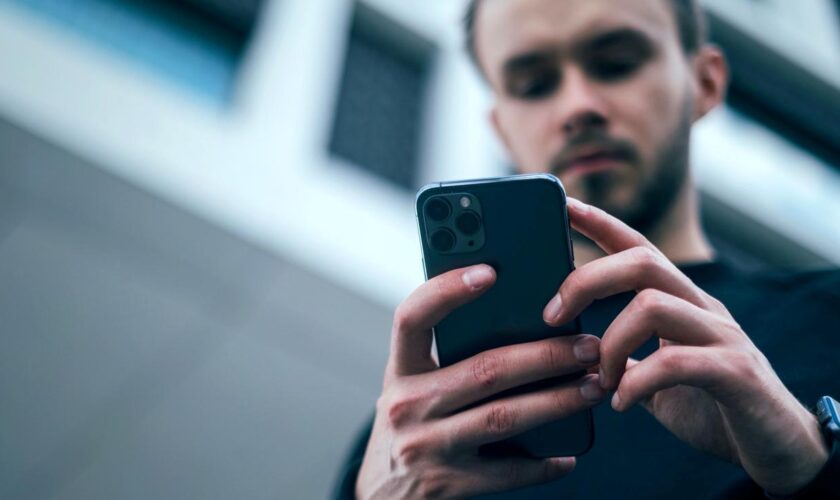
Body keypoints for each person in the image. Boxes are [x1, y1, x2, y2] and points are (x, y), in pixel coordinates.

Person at [334, 0, 840, 498]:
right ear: (503, 130)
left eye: (616, 64)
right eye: (534, 85)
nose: (578, 106)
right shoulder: (418, 430)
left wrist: (809, 459)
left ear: (703, 83)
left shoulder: (829, 318)